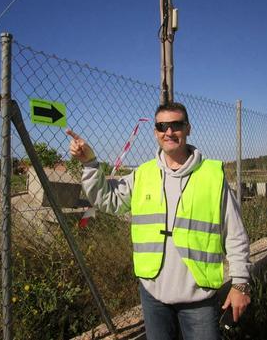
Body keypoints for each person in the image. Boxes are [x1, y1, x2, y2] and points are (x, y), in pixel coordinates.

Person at [67, 102, 251, 340]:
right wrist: (90, 163)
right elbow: (107, 199)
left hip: (199, 298)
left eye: (176, 125)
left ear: (188, 129)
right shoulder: (142, 174)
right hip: (153, 295)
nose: (169, 131)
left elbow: (235, 234)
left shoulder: (211, 176)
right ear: (155, 132)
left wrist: (240, 284)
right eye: (162, 126)